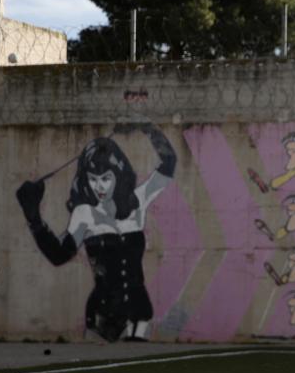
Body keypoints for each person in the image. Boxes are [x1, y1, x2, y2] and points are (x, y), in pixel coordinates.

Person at [15, 123, 176, 343]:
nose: (99, 187)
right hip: (101, 317)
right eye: (93, 179)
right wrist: (34, 220)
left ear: (118, 175)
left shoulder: (137, 202)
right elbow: (59, 255)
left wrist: (146, 127)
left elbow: (169, 163)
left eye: (106, 178)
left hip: (139, 318)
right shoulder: (85, 214)